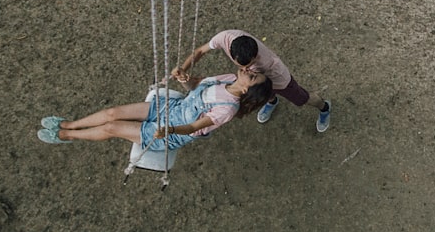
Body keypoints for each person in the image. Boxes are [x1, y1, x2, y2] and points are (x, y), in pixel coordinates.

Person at [36, 69, 273, 165]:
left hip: (170, 133)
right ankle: (69, 123)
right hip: (169, 108)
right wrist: (184, 79)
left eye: (252, 77)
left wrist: (169, 130)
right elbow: (195, 87)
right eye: (253, 72)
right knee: (112, 113)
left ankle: (66, 135)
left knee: (111, 127)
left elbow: (192, 127)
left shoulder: (227, 110)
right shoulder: (228, 78)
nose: (248, 70)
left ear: (245, 91)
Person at [171, 29, 331, 132]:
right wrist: (183, 69)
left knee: (303, 98)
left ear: (256, 56)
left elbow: (257, 83)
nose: (245, 69)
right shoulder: (225, 38)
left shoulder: (267, 63)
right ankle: (272, 101)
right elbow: (200, 50)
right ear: (232, 55)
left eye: (249, 66)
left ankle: (324, 107)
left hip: (278, 80)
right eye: (242, 66)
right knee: (261, 93)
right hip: (256, 82)